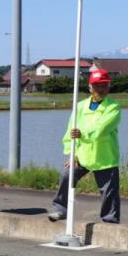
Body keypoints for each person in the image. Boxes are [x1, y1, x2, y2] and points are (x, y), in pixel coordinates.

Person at [47, 68, 122, 224]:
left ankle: (110, 220)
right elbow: (70, 130)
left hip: (105, 155)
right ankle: (60, 209)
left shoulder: (114, 107)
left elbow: (102, 128)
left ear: (108, 86)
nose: (100, 89)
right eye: (97, 86)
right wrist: (71, 152)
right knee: (66, 175)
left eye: (104, 85)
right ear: (90, 87)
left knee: (109, 191)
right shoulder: (80, 106)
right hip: (81, 154)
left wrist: (82, 133)